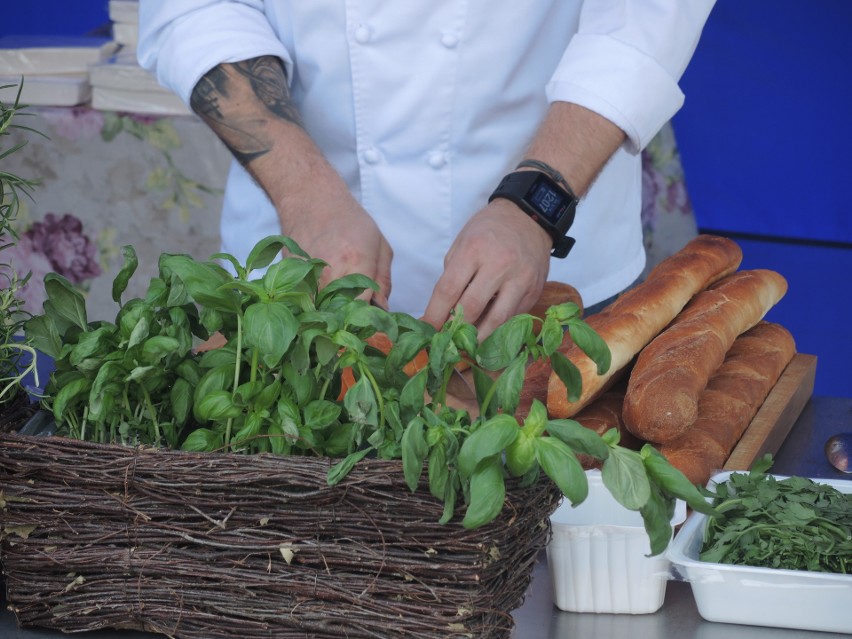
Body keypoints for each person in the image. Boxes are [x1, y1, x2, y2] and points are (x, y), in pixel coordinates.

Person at [138, 1, 715, 338]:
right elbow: (197, 9)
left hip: (552, 287)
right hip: (293, 275)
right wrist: (307, 195)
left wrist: (535, 205)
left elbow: (644, 17)